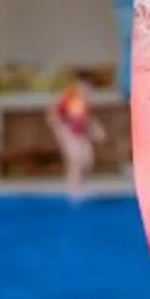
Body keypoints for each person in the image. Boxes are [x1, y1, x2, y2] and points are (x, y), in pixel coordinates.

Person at [46, 74, 105, 205]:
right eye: (85, 88)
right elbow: (53, 114)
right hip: (69, 134)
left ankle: (80, 186)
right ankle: (74, 191)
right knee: (76, 160)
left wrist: (97, 129)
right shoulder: (68, 98)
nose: (88, 92)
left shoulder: (85, 102)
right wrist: (61, 130)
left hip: (81, 134)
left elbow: (88, 119)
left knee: (88, 160)